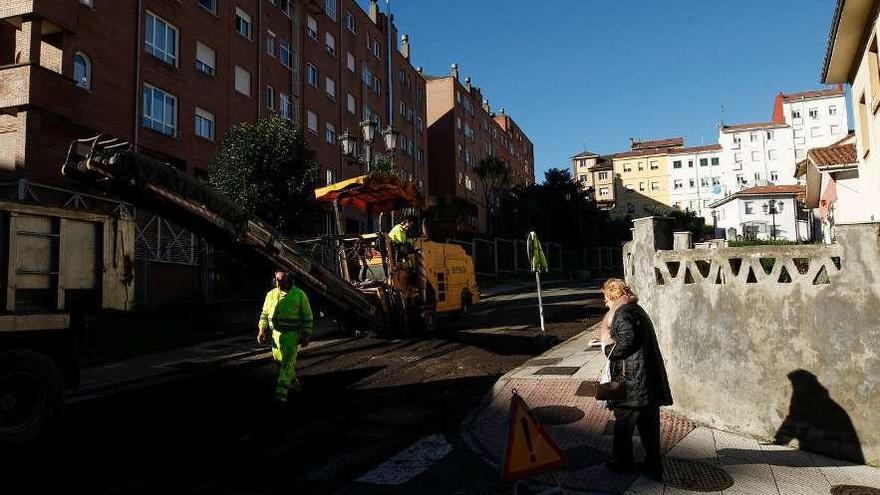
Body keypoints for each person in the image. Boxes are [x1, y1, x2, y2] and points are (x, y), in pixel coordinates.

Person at [599, 278, 672, 482]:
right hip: (646, 380)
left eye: (605, 297)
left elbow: (624, 344)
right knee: (649, 427)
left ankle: (623, 463)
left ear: (613, 295)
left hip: (631, 382)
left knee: (623, 426)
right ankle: (653, 465)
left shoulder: (622, 313)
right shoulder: (636, 310)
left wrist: (606, 347)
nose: (605, 302)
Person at [258, 269, 314, 404]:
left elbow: (307, 316)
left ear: (288, 279)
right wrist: (262, 330)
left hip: (291, 335)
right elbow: (264, 314)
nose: (279, 282)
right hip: (275, 336)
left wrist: (306, 334)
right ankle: (294, 384)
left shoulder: (299, 295)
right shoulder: (271, 295)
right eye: (277, 279)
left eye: (282, 280)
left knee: (287, 364)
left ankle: (281, 394)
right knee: (279, 363)